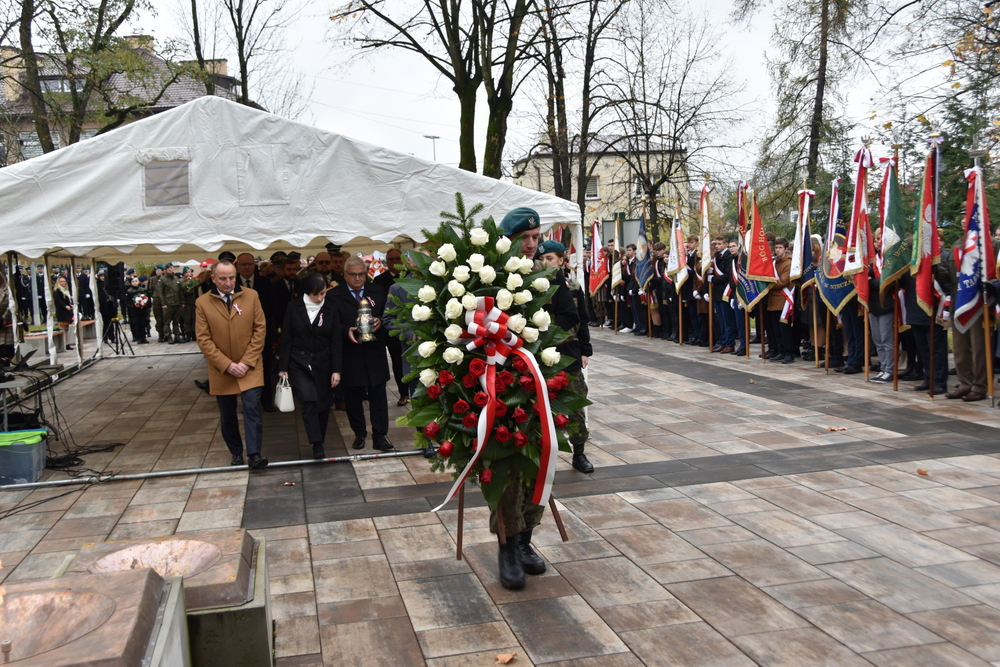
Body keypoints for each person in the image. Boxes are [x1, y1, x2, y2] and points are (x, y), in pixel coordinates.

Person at [493, 206, 579, 591]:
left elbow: (566, 323)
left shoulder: (548, 279)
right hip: (502, 387)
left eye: (535, 237)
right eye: (524, 238)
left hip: (542, 384)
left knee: (540, 463)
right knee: (508, 469)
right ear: (508, 240)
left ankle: (527, 540)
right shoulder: (490, 279)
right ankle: (507, 547)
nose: (531, 244)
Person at [195, 260, 269, 469]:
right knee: (227, 414)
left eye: (231, 278)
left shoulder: (251, 296)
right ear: (213, 279)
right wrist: (227, 365)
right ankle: (236, 452)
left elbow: (260, 330)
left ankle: (255, 454)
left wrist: (246, 362)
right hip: (222, 369)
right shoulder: (202, 303)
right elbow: (204, 339)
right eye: (223, 279)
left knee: (252, 408)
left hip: (250, 366)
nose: (228, 283)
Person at [537, 240, 592, 473]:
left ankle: (579, 453)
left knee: (575, 406)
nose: (545, 262)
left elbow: (582, 318)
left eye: (550, 258)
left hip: (567, 352)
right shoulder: (535, 284)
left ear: (561, 260)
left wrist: (585, 350)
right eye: (542, 259)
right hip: (540, 354)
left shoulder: (573, 286)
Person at [328, 256, 394, 451]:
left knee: (378, 394)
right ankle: (359, 433)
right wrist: (344, 330)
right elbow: (332, 325)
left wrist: (381, 321)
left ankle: (380, 435)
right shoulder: (334, 295)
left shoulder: (378, 291)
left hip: (374, 351)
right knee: (353, 396)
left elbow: (388, 315)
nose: (358, 279)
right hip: (350, 352)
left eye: (361, 274)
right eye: (353, 275)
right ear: (344, 275)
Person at [278, 273, 343, 459]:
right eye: (316, 294)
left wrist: (336, 370)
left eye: (323, 293)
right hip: (299, 362)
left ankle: (319, 439)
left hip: (323, 362)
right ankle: (316, 444)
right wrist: (283, 367)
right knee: (308, 402)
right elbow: (288, 338)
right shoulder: (294, 307)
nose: (320, 298)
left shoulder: (330, 308)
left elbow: (336, 340)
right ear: (307, 292)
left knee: (323, 405)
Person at [374, 248, 409, 405]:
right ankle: (403, 393)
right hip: (392, 329)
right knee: (397, 362)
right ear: (386, 262)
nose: (395, 262)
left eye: (398, 258)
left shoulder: (410, 278)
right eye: (391, 259)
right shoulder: (380, 280)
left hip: (410, 326)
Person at [154, 264, 183, 344]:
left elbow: (180, 291)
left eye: (171, 268)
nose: (170, 269)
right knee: (167, 322)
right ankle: (168, 336)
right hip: (168, 304)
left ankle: (177, 336)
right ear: (165, 270)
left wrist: (182, 302)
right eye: (168, 268)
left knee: (176, 321)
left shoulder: (175, 278)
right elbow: (160, 293)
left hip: (177, 303)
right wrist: (163, 304)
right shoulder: (162, 279)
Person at [126, 276, 151, 344]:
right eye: (133, 281)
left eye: (136, 281)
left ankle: (144, 337)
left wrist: (146, 304)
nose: (135, 283)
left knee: (143, 323)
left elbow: (147, 298)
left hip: (143, 310)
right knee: (137, 324)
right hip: (134, 311)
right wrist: (134, 304)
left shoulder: (142, 290)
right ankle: (139, 337)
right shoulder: (129, 291)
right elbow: (127, 301)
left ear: (139, 281)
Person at [53, 275, 75, 350]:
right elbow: (58, 300)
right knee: (63, 328)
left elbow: (67, 299)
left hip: (67, 311)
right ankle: (64, 344)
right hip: (61, 311)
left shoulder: (66, 289)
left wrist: (70, 305)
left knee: (67, 328)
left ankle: (67, 343)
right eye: (61, 281)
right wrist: (65, 306)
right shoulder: (57, 290)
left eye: (64, 281)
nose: (62, 283)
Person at [0, 272, 14, 360]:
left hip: (6, 325)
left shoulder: (7, 290)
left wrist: (4, 318)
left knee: (8, 351)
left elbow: (11, 305)